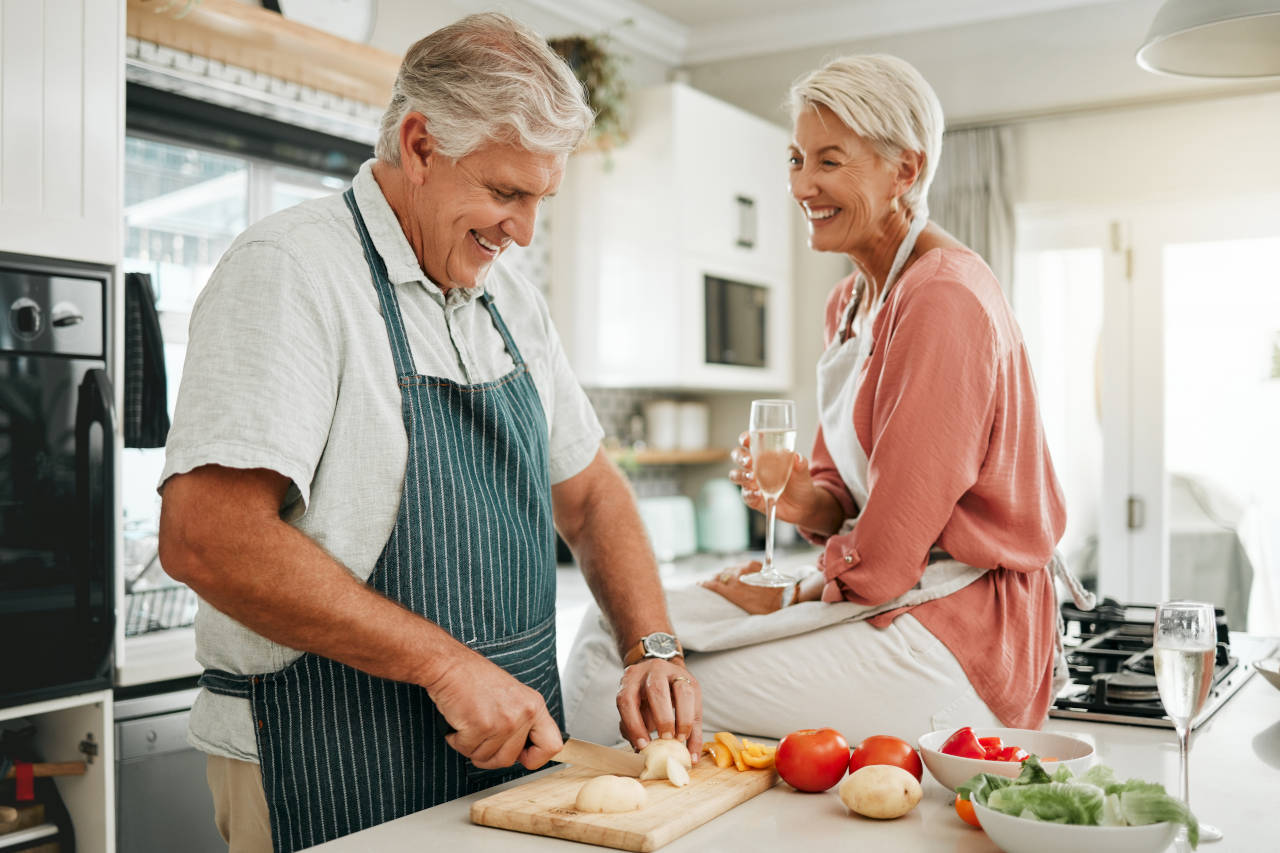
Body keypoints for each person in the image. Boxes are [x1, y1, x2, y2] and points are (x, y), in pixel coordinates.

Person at [157, 14, 701, 853]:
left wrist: (652, 644)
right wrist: (447, 665)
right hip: (327, 753)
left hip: (510, 760)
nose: (522, 231)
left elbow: (590, 495)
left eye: (538, 201)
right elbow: (207, 537)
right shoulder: (291, 271)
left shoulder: (511, 301)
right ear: (418, 145)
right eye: (505, 193)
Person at [563, 54, 1073, 745]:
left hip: (960, 638)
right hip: (893, 599)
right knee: (621, 628)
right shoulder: (850, 302)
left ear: (905, 171)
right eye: (797, 159)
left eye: (830, 162)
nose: (803, 184)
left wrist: (786, 589)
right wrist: (803, 498)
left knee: (626, 687)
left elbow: (888, 557)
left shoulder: (943, 299)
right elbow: (846, 500)